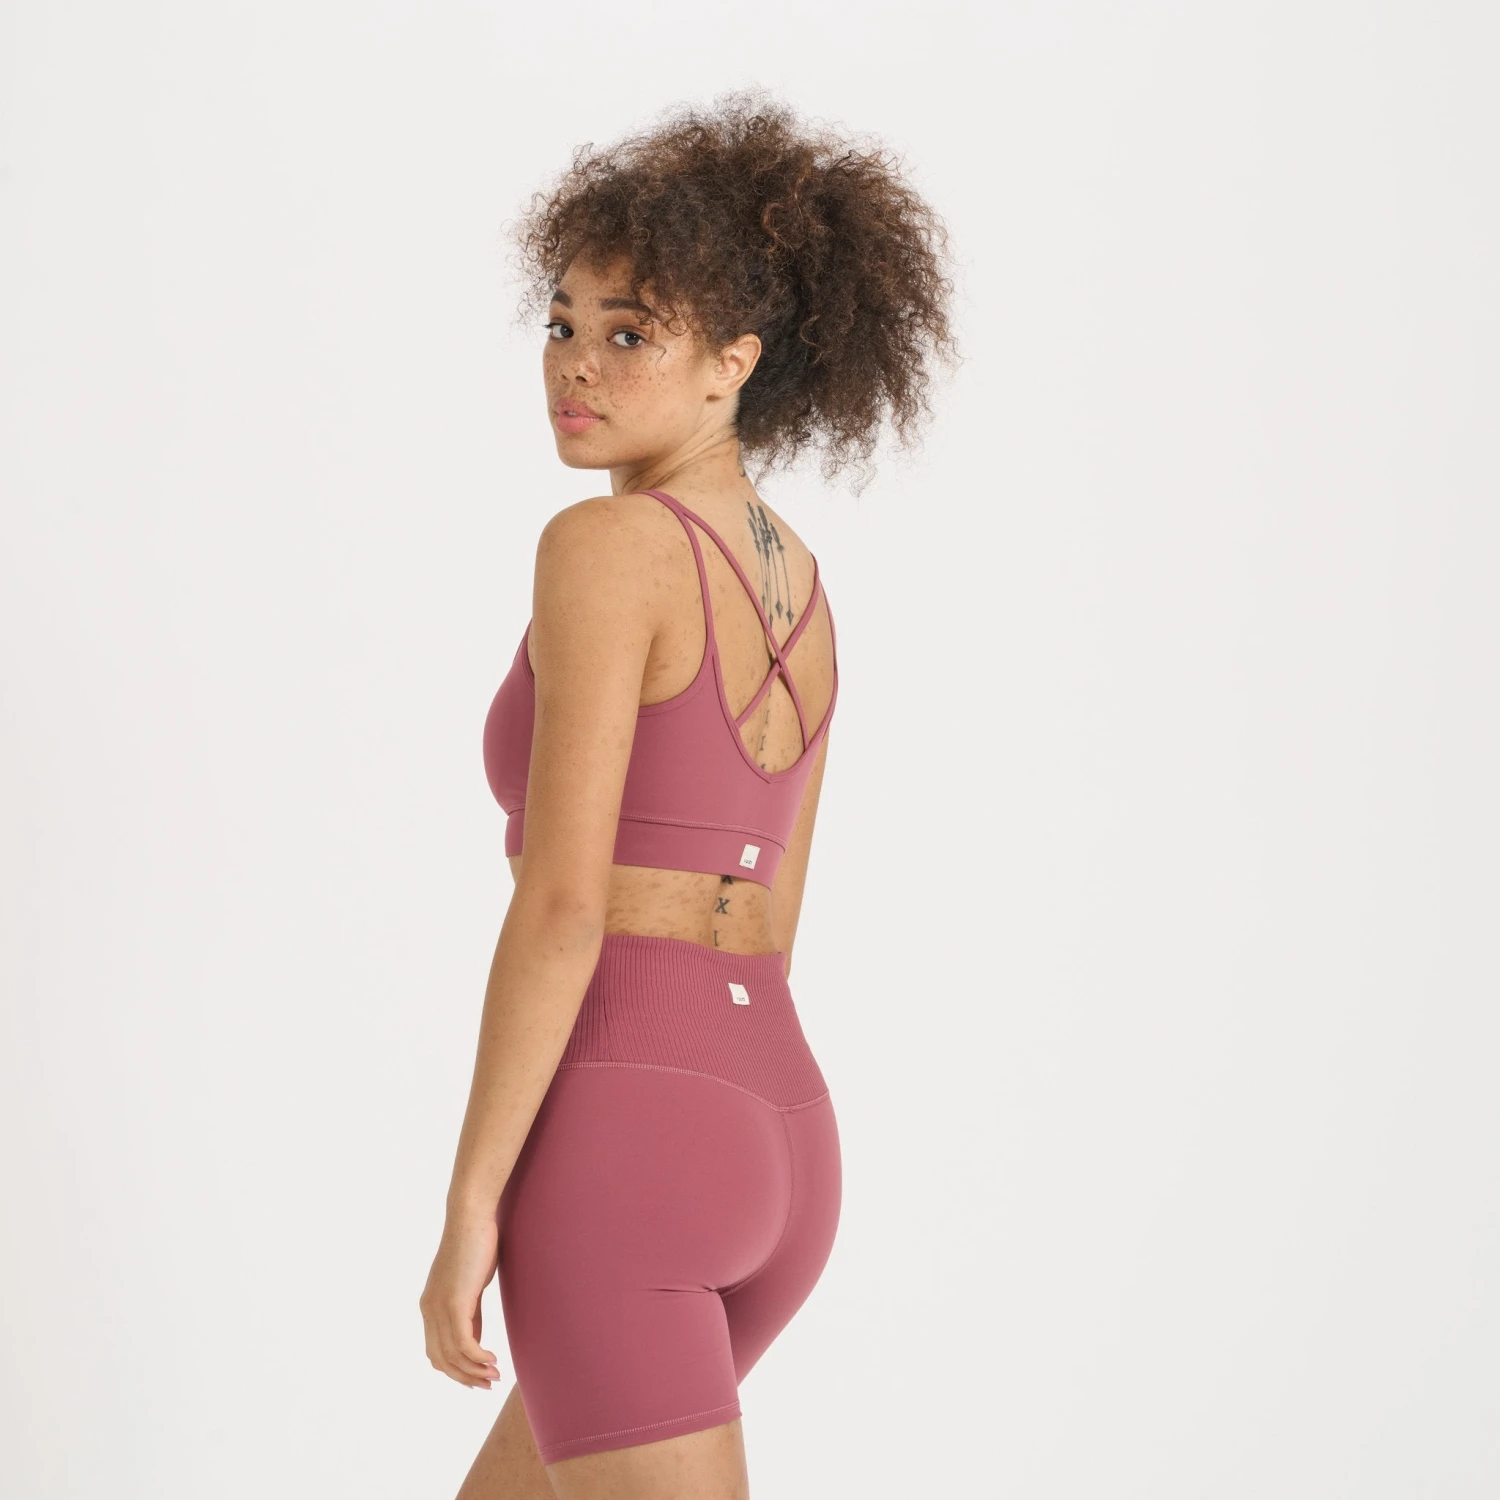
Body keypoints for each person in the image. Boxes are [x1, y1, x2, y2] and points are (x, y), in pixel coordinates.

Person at [420, 90, 956, 1500]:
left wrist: (472, 1201)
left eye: (629, 334)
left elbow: (564, 905)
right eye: (562, 323)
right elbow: (774, 917)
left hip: (629, 1132)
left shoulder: (606, 551)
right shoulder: (806, 590)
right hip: (781, 1128)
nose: (573, 365)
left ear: (735, 364)